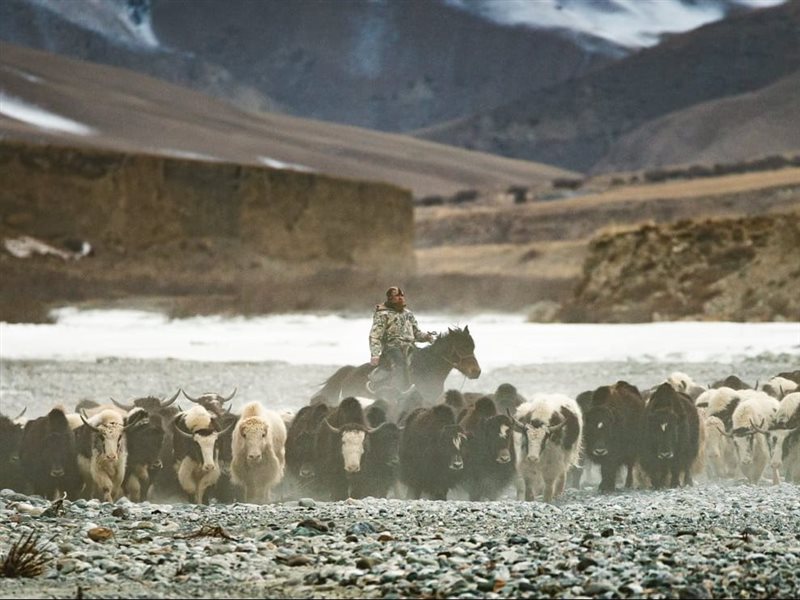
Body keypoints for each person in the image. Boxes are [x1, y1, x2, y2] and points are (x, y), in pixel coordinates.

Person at [368, 286, 435, 394]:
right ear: (390, 298)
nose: (401, 298)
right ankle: (397, 392)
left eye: (402, 296)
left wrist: (426, 337)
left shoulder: (408, 313)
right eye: (397, 296)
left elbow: (416, 333)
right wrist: (375, 354)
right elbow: (375, 335)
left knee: (424, 361)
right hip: (392, 348)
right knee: (400, 364)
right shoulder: (382, 314)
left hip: (410, 347)